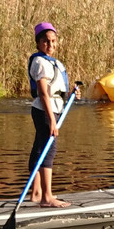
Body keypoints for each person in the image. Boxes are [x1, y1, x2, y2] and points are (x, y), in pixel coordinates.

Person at [28, 21, 80, 207]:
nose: (50, 45)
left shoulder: (55, 62)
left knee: (39, 149)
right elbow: (43, 93)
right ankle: (47, 197)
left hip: (53, 108)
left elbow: (55, 89)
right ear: (38, 43)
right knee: (49, 150)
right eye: (46, 41)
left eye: (53, 41)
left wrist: (73, 94)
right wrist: (51, 120)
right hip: (45, 111)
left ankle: (36, 193)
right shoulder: (40, 62)